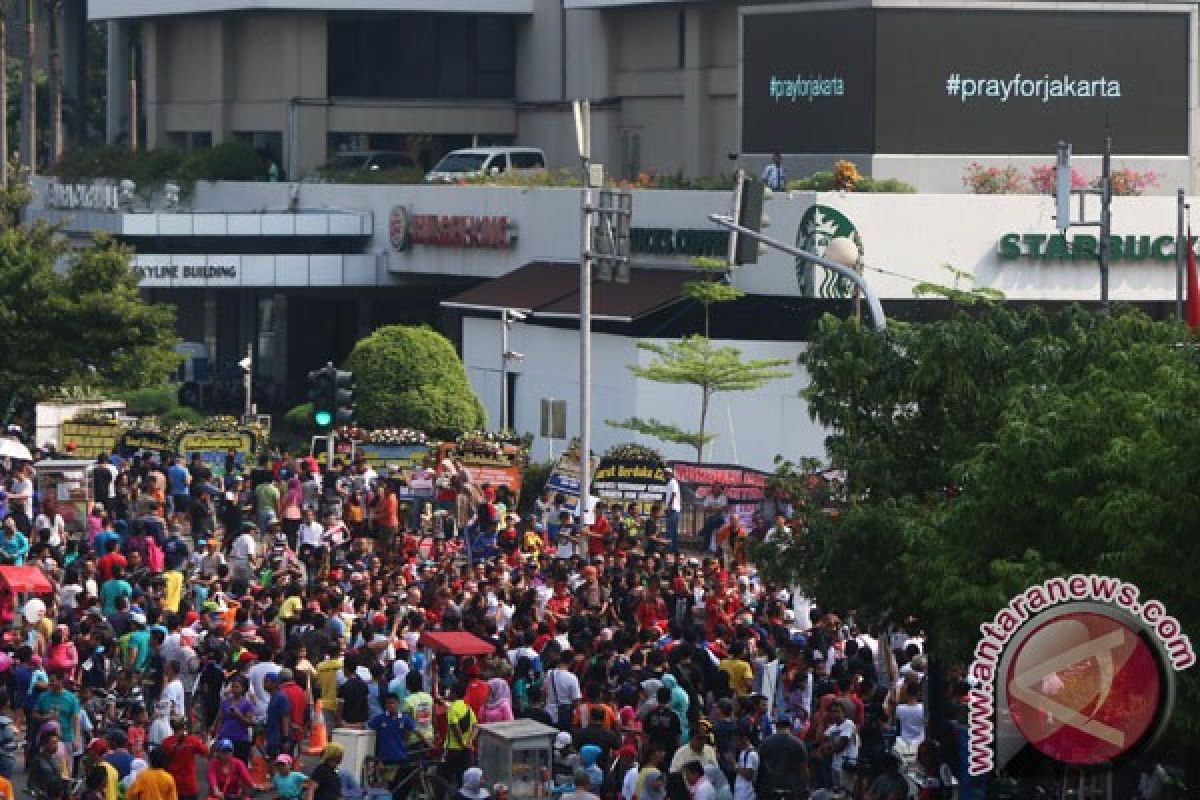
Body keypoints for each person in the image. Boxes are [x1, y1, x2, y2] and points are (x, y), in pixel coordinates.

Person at [159, 717, 207, 800]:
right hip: (190, 785)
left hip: (173, 784)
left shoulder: (165, 742)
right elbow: (206, 751)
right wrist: (205, 741)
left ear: (171, 726)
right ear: (184, 726)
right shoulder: (192, 740)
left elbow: (161, 761)